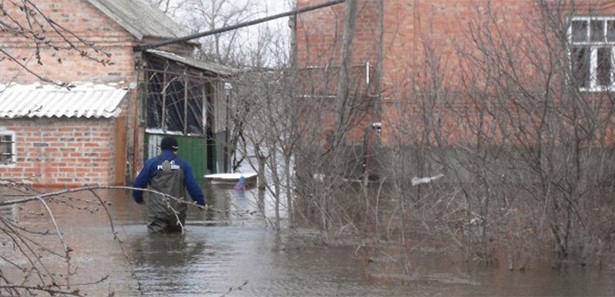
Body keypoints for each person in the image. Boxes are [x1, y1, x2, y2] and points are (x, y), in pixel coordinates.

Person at [132, 136, 206, 233]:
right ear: (175, 149)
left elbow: (138, 184)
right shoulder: (184, 165)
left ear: (161, 149)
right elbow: (193, 187)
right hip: (177, 213)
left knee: (155, 243)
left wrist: (139, 199)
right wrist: (201, 204)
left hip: (157, 212)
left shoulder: (151, 163)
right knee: (177, 243)